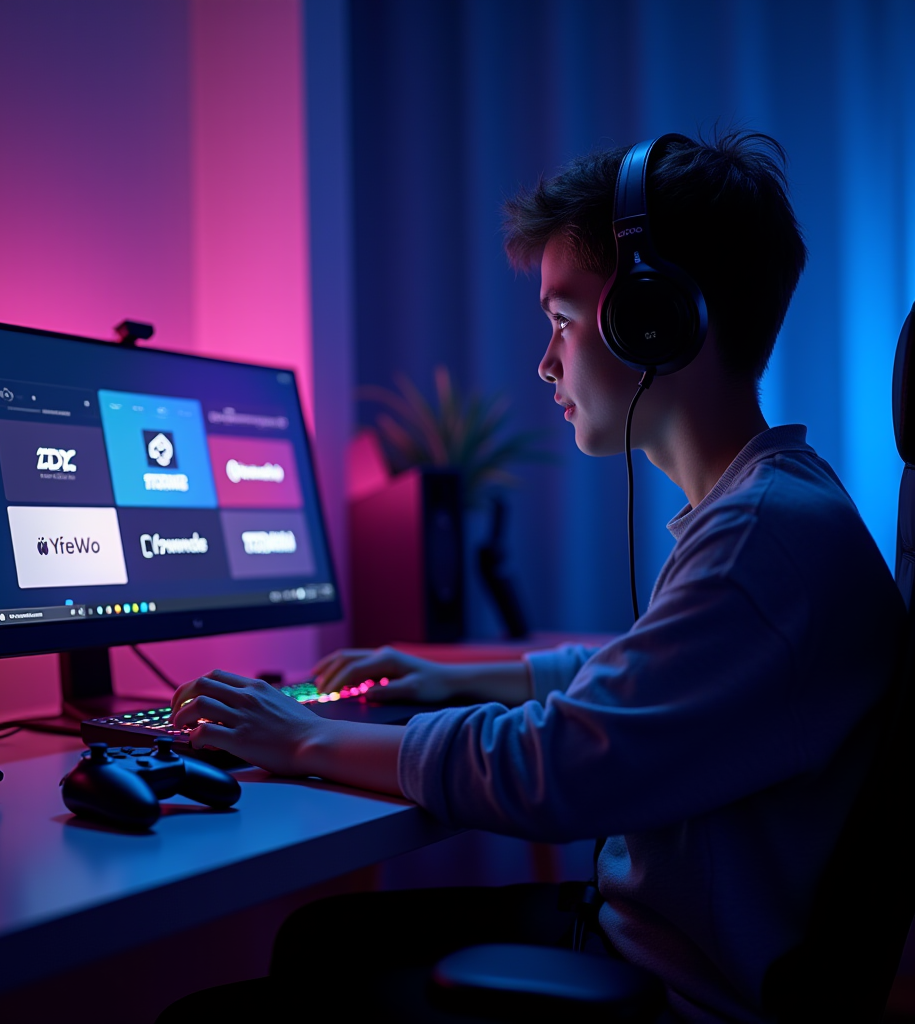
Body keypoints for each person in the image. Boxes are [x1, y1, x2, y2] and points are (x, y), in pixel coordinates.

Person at [158, 130, 906, 1023]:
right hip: (659, 937)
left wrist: (297, 739)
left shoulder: (758, 536)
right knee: (319, 939)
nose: (545, 363)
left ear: (656, 318)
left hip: (673, 986)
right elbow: (650, 680)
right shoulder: (779, 505)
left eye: (561, 319)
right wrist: (460, 675)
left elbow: (555, 768)